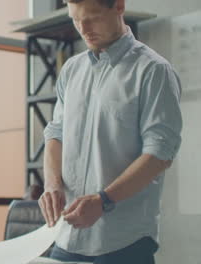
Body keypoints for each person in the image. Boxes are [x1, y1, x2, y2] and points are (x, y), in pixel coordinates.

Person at [38, 0, 183, 263]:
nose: (83, 28)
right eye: (75, 19)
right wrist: (52, 184)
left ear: (118, 6)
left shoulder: (153, 71)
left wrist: (104, 200)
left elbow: (160, 154)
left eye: (92, 17)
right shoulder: (71, 70)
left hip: (123, 244)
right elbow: (55, 134)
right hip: (66, 239)